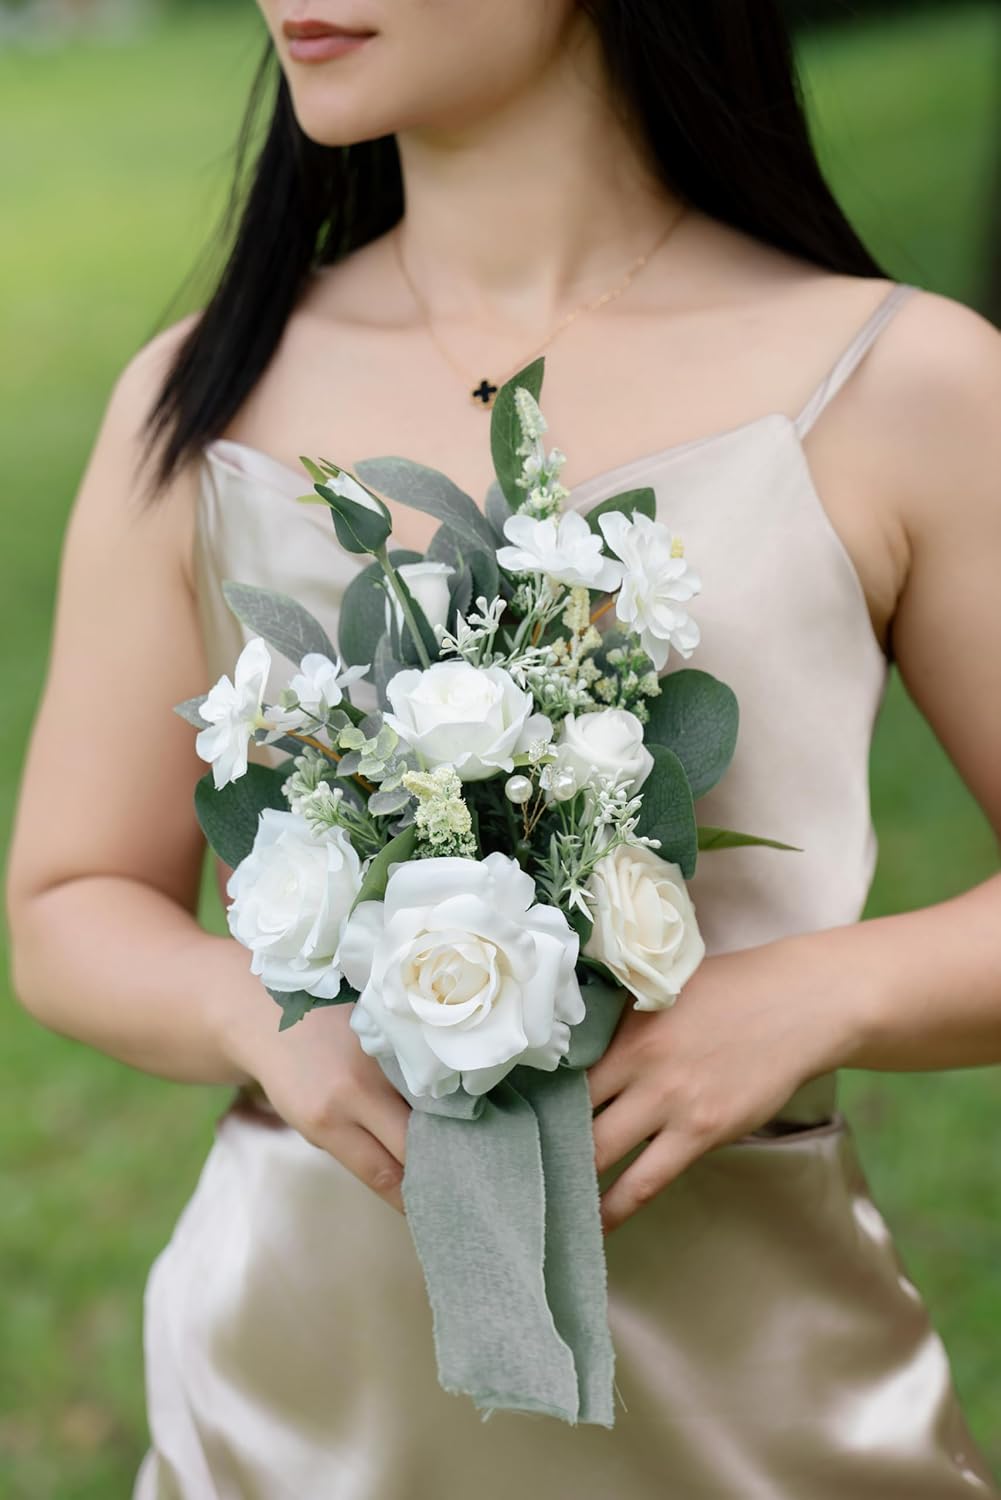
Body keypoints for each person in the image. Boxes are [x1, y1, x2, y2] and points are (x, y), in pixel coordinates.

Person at [7, 1, 1001, 1495]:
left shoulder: (900, 382)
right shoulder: (200, 393)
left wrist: (814, 994)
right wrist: (256, 1020)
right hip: (301, 1403)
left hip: (751, 1399)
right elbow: (66, 903)